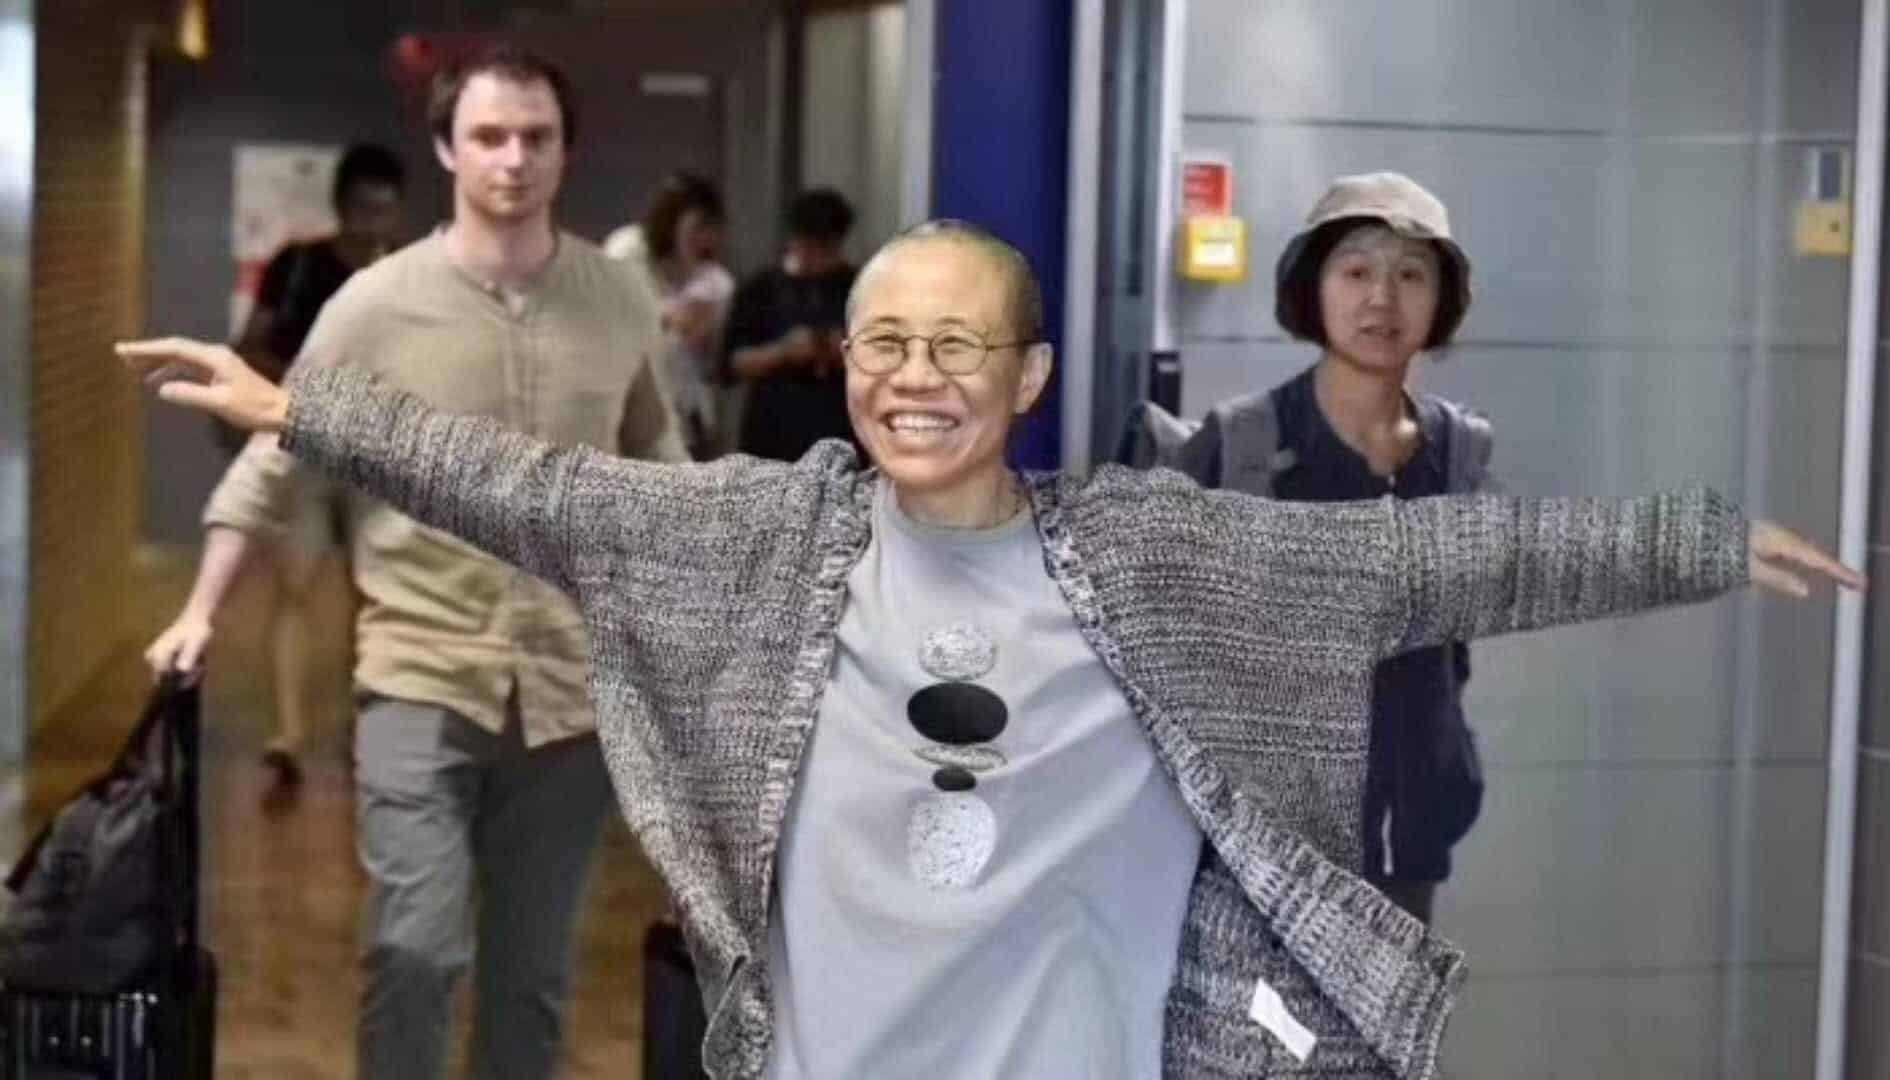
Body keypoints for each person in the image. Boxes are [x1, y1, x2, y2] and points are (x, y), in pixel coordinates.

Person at [122, 220, 1858, 1079]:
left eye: (958, 345)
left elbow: (1424, 561)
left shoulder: (1155, 554)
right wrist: (302, 409)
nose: (913, 373)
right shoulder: (764, 539)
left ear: (1028, 379)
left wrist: (1695, 543)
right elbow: (540, 489)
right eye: (883, 340)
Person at [141, 46, 687, 1080]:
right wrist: (202, 610)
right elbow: (274, 459)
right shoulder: (376, 304)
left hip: (572, 695)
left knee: (530, 978)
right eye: (489, 136)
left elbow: (660, 460)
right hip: (418, 673)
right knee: (415, 951)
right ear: (447, 149)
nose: (514, 159)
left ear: (566, 151)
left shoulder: (619, 298)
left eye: (537, 137)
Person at [1174, 172, 1488, 924]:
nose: (1382, 296)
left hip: (1406, 853)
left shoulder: (1458, 451)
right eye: (1356, 271)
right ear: (1312, 292)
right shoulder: (1242, 445)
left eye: (1411, 273)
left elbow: (1455, 651)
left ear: (1441, 300)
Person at [228, 142, 406, 788]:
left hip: (377, 460)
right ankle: (289, 733)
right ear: (341, 210)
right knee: (295, 588)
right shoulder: (299, 267)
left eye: (385, 212)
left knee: (374, 597)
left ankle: (367, 727)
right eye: (363, 210)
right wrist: (305, 385)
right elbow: (252, 345)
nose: (373, 225)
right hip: (303, 449)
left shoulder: (408, 278)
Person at [604, 173, 737, 458]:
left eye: (710, 229)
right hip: (629, 405)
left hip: (687, 410)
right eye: (697, 227)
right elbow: (615, 312)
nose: (703, 238)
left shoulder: (714, 279)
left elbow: (713, 357)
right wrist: (666, 313)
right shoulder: (628, 248)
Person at [724, 187, 858, 462]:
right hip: (772, 435)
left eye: (828, 249)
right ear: (794, 239)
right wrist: (783, 352)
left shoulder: (859, 286)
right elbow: (734, 363)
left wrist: (844, 350)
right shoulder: (761, 288)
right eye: (811, 247)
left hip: (840, 433)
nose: (819, 259)